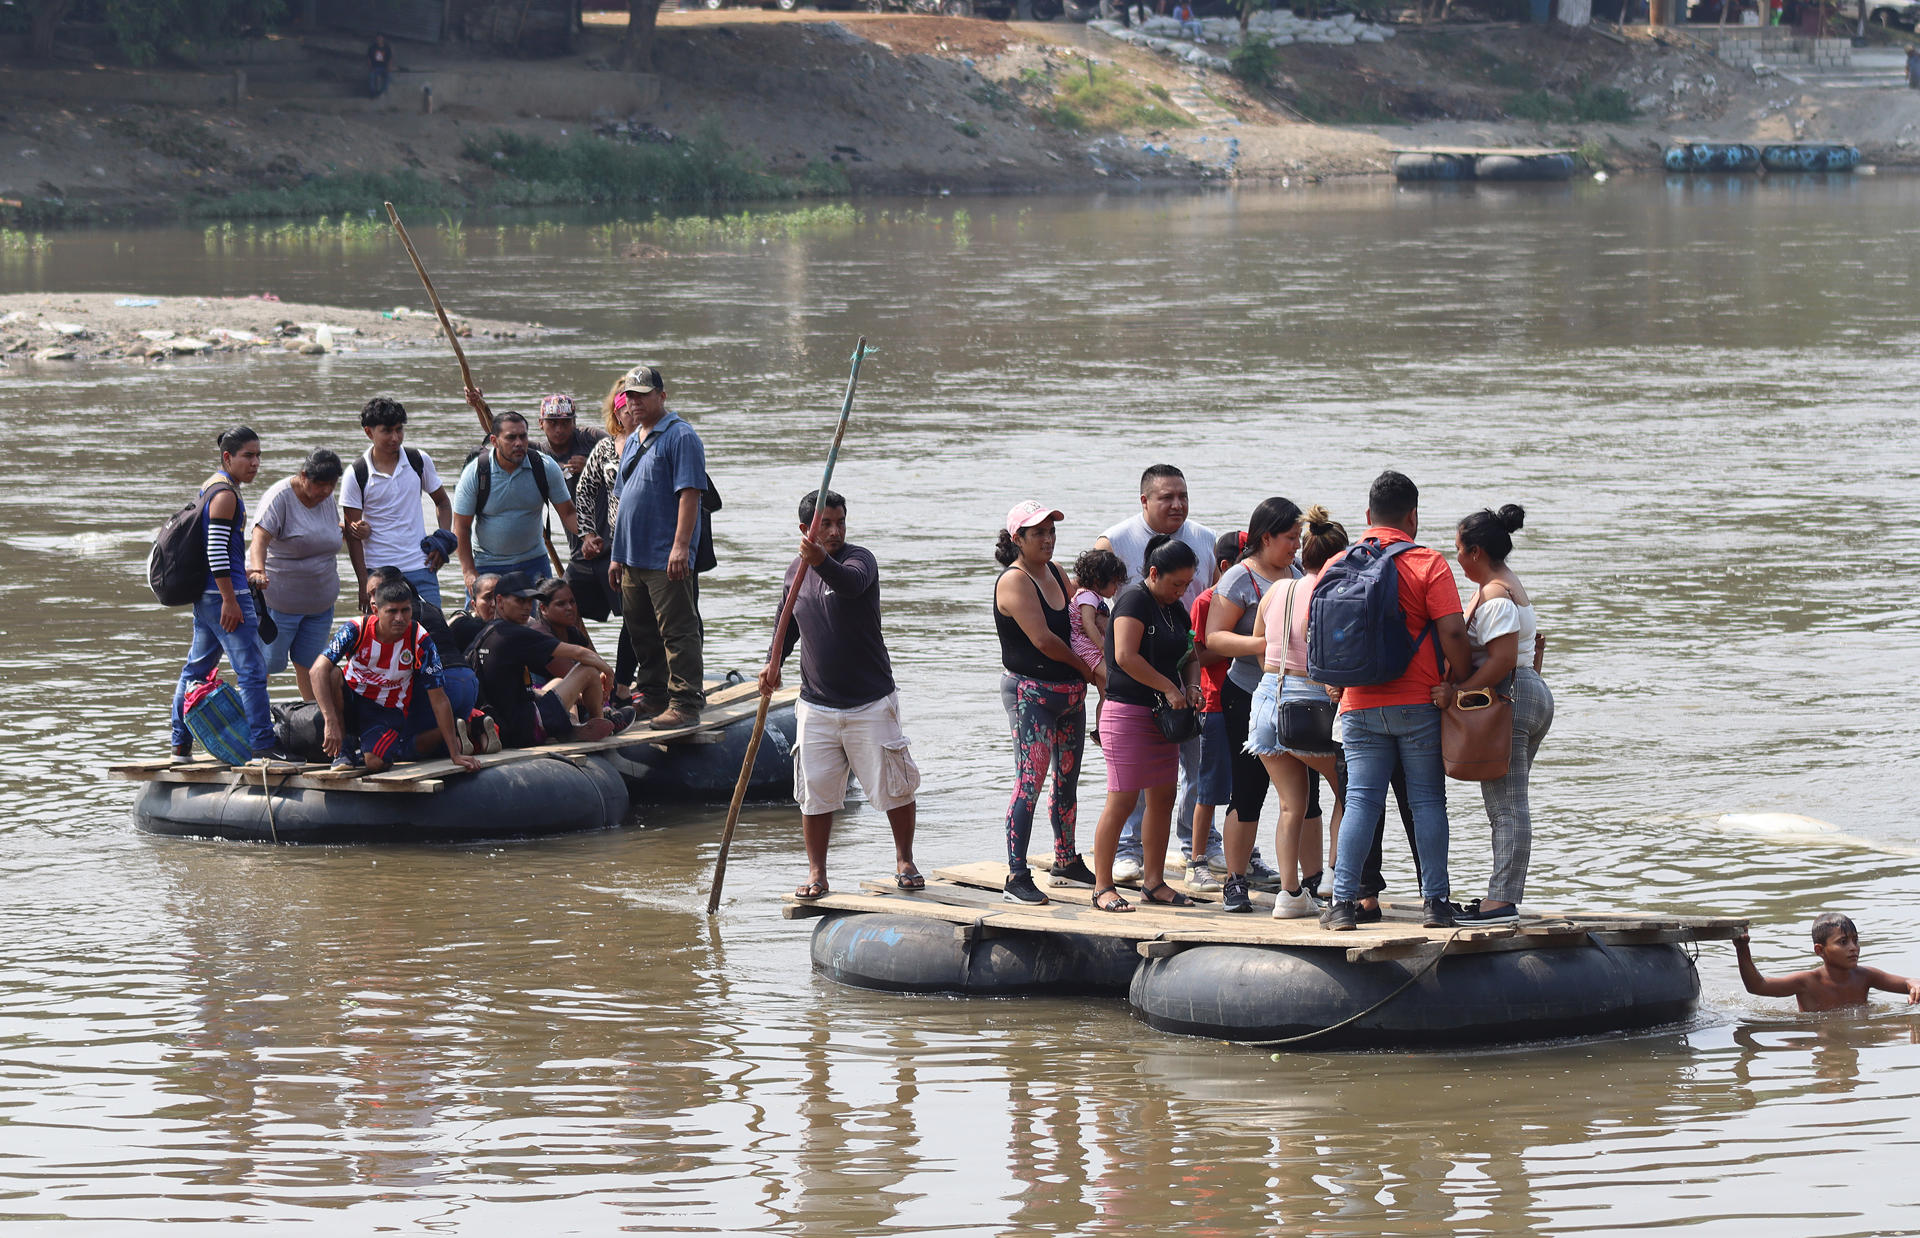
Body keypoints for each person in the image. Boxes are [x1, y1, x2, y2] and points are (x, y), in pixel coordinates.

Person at [1321, 471, 1473, 932]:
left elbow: (1320, 637)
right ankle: (1436, 904)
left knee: (1360, 802)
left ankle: (1343, 904)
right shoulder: (1428, 563)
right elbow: (1452, 632)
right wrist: (1462, 680)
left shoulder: (1337, 563)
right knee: (1426, 801)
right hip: (1419, 702)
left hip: (1358, 704)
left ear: (1368, 515)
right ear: (1413, 517)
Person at [759, 489, 922, 902]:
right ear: (806, 529)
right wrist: (772, 663)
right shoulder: (795, 571)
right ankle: (817, 874)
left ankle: (905, 860)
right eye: (825, 524)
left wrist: (820, 560)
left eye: (840, 522)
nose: (834, 531)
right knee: (814, 793)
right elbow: (785, 624)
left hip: (871, 700)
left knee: (895, 786)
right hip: (817, 704)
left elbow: (850, 585)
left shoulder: (859, 560)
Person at [1093, 464, 1238, 880]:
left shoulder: (1178, 599)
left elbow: (1192, 646)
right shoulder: (1131, 585)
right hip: (1131, 701)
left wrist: (1189, 685)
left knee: (1177, 783)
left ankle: (1178, 863)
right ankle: (1115, 869)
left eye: (1183, 496)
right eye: (1166, 497)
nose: (1177, 504)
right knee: (1125, 795)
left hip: (1174, 694)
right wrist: (1103, 664)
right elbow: (1119, 646)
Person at [1439, 504, 1553, 925]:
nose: (1456, 558)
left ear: (1476, 552)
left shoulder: (1494, 595)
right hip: (1527, 693)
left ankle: (1501, 901)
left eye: (1458, 549)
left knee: (1507, 806)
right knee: (1509, 802)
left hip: (1511, 696)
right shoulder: (1506, 584)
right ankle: (1500, 896)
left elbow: (1502, 659)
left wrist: (1458, 692)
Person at [994, 500, 1099, 905]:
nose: (1048, 539)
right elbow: (1044, 640)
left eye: (1051, 531)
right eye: (1038, 533)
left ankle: (1065, 860)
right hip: (1031, 695)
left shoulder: (1055, 571)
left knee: (1067, 780)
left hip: (1069, 696)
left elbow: (1076, 621)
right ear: (1017, 539)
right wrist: (1088, 670)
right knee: (1030, 783)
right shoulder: (1015, 581)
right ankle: (1016, 876)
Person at [1090, 534, 1201, 913]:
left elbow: (1191, 655)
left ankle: (1154, 882)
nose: (1181, 591)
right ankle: (1102, 886)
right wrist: (1169, 687)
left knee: (1163, 798)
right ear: (1153, 573)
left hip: (1164, 718)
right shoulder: (1134, 600)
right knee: (1122, 799)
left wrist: (1192, 686)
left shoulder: (1176, 609)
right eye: (1176, 584)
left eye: (1187, 584)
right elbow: (1125, 655)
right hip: (1128, 713)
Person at [1249, 504, 1349, 919]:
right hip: (1309, 706)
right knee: (1349, 792)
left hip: (1267, 700)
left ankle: (1289, 895)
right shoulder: (1333, 594)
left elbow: (1261, 647)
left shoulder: (1278, 590)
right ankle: (1333, 878)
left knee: (1291, 805)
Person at [1205, 498, 1304, 913]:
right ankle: (1235, 880)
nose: (1296, 546)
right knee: (1248, 791)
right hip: (1246, 692)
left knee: (1302, 794)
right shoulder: (1238, 579)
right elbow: (1214, 638)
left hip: (1293, 695)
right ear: (1266, 538)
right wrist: (1265, 644)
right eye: (1290, 538)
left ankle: (1303, 883)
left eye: (1299, 539)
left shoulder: (1298, 574)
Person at [607, 364, 707, 730]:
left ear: (661, 396)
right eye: (630, 397)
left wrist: (681, 547)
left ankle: (685, 702)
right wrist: (617, 556)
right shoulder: (634, 438)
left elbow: (690, 494)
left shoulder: (680, 436)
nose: (634, 403)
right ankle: (653, 694)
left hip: (664, 554)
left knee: (677, 630)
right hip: (632, 555)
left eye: (643, 396)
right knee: (641, 630)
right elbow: (623, 502)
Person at [169, 427, 276, 763]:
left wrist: (244, 573)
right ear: (228, 457)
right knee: (252, 672)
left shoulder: (211, 486)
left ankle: (180, 746)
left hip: (207, 594)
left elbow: (221, 550)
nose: (255, 463)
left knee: (196, 670)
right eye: (248, 456)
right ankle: (263, 748)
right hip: (224, 596)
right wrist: (230, 599)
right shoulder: (226, 495)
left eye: (258, 456)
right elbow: (215, 551)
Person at [311, 578, 482, 773]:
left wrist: (455, 755)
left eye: (405, 610)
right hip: (352, 699)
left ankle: (366, 750)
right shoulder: (355, 629)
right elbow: (316, 670)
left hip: (386, 710)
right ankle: (344, 748)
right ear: (376, 610)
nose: (400, 618)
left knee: (375, 763)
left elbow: (439, 698)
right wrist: (330, 721)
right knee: (332, 673)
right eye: (392, 611)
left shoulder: (420, 639)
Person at [468, 572, 631, 748]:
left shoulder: (485, 634)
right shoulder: (515, 634)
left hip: (502, 725)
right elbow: (579, 654)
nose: (526, 608)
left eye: (529, 601)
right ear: (500, 601)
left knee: (557, 682)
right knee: (589, 671)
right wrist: (608, 672)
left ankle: (576, 726)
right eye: (520, 601)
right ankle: (599, 723)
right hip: (526, 729)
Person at [247, 448, 344, 703]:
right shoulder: (280, 497)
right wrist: (258, 571)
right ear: (303, 476)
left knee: (312, 666)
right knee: (263, 665)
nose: (326, 490)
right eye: (320, 484)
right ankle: (254, 719)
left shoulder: (326, 499)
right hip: (278, 606)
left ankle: (312, 717)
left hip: (320, 607)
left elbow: (324, 533)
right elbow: (259, 539)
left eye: (332, 485)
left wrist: (350, 529)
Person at [453, 404, 579, 595]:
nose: (519, 443)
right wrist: (468, 571)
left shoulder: (544, 467)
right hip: (487, 564)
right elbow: (461, 527)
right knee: (484, 615)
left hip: (534, 563)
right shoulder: (476, 473)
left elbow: (568, 513)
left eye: (523, 436)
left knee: (541, 615)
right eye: (511, 437)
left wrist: (589, 535)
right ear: (494, 441)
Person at [365, 565, 492, 753]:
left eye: (377, 592)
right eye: (370, 594)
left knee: (401, 743)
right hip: (468, 683)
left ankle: (456, 730)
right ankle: (472, 728)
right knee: (436, 743)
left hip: (443, 686)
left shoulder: (396, 618)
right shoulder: (430, 608)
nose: (372, 600)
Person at [341, 396, 453, 610]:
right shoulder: (356, 474)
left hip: (422, 567)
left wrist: (443, 539)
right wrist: (363, 582)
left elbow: (443, 502)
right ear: (369, 432)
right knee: (386, 631)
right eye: (387, 431)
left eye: (399, 429)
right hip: (378, 573)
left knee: (433, 628)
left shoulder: (418, 460)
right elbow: (352, 535)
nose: (395, 437)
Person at [573, 379, 643, 703]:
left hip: (652, 543)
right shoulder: (604, 448)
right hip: (618, 545)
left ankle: (632, 683)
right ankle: (612, 682)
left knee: (642, 617)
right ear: (616, 413)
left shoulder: (658, 443)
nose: (631, 413)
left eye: (636, 406)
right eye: (624, 408)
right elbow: (585, 491)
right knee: (630, 613)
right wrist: (587, 533)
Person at [1182, 532, 1243, 896]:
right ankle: (1197, 860)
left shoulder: (1254, 597)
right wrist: (1237, 644)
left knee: (1245, 787)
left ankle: (1242, 858)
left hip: (1246, 701)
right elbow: (1197, 656)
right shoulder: (1206, 602)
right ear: (1226, 565)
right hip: (1215, 702)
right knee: (1207, 788)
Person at [1735, 914, 1920, 1011]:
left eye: (1855, 941)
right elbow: (1757, 986)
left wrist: (1914, 986)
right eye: (1843, 942)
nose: (1853, 948)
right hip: (1820, 1038)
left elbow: (1909, 982)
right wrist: (1742, 948)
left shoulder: (1866, 976)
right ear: (1820, 950)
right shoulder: (1806, 981)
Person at [1070, 547, 1127, 740]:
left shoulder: (1092, 596)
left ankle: (1101, 731)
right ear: (1097, 581)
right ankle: (1104, 730)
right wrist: (1103, 648)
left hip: (1091, 645)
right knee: (1115, 680)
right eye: (1113, 583)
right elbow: (1088, 624)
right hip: (1087, 647)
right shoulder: (1087, 596)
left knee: (1106, 693)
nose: (1116, 588)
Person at [447, 572, 499, 655]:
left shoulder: (517, 624)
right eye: (488, 597)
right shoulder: (460, 627)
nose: (494, 604)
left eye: (499, 598)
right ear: (474, 605)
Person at [367, 33, 391, 98]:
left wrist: (388, 67)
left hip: (384, 68)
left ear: (383, 39)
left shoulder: (386, 48)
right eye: (378, 38)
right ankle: (373, 92)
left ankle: (381, 92)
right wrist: (370, 67)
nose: (379, 40)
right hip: (375, 67)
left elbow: (390, 59)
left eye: (380, 38)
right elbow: (368, 58)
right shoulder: (372, 47)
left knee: (388, 77)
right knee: (371, 77)